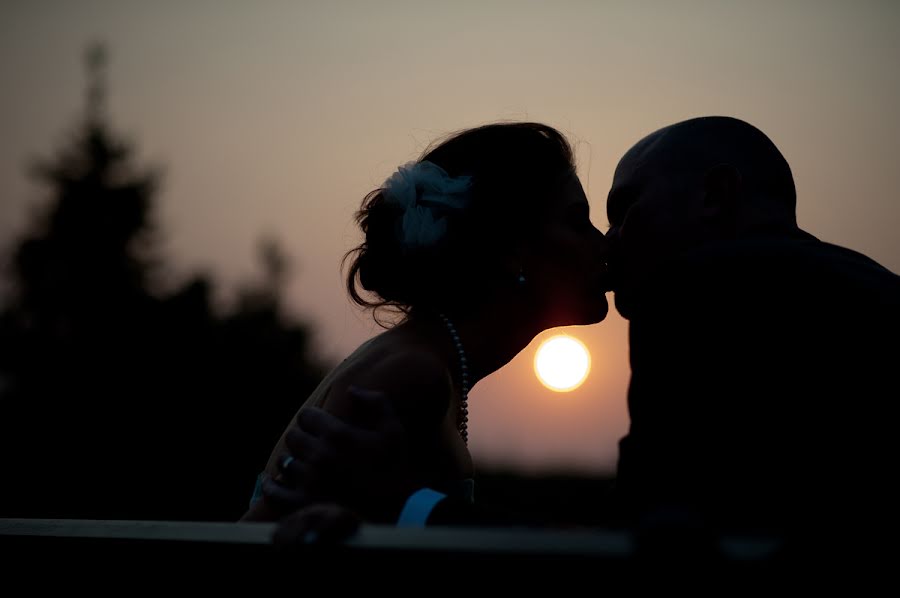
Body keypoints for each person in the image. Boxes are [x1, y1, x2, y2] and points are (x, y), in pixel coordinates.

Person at [264, 117, 900, 560]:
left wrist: (406, 507)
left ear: (716, 195)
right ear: (508, 248)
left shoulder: (705, 290)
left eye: (624, 211)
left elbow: (639, 546)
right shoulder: (869, 288)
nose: (608, 244)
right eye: (587, 220)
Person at [242, 122, 611, 523]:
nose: (604, 243)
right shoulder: (412, 375)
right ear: (508, 248)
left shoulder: (428, 362)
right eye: (578, 222)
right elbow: (261, 540)